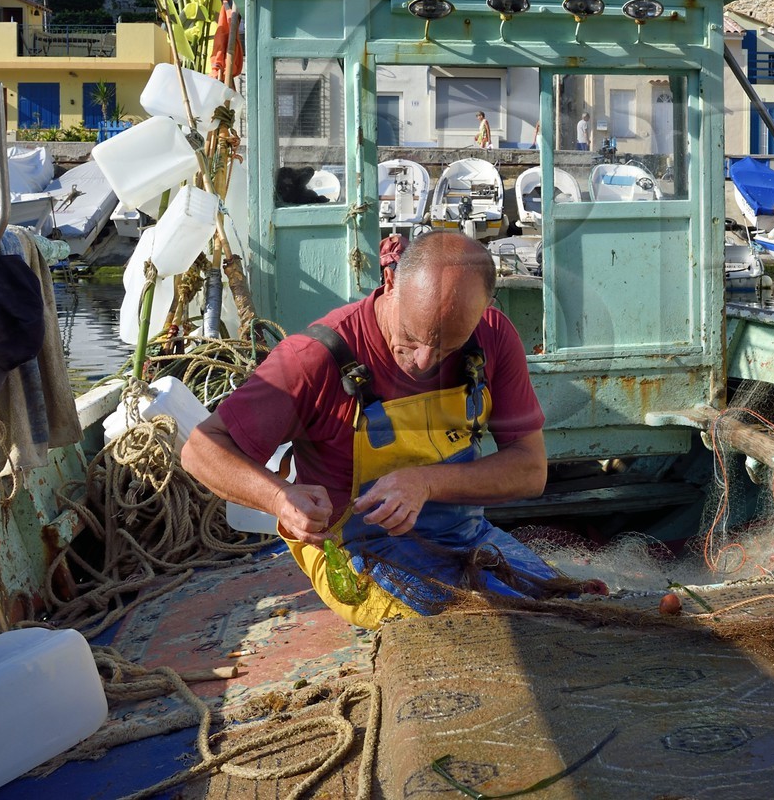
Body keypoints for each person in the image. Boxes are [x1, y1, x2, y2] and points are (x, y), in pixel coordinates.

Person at [181, 232, 557, 629]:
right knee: (490, 626)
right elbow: (200, 449)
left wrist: (426, 483)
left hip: (466, 536)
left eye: (447, 346)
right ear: (391, 282)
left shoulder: (494, 335)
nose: (424, 361)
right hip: (360, 551)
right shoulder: (312, 359)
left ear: (485, 308)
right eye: (411, 338)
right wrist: (280, 498)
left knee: (568, 607)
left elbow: (530, 469)